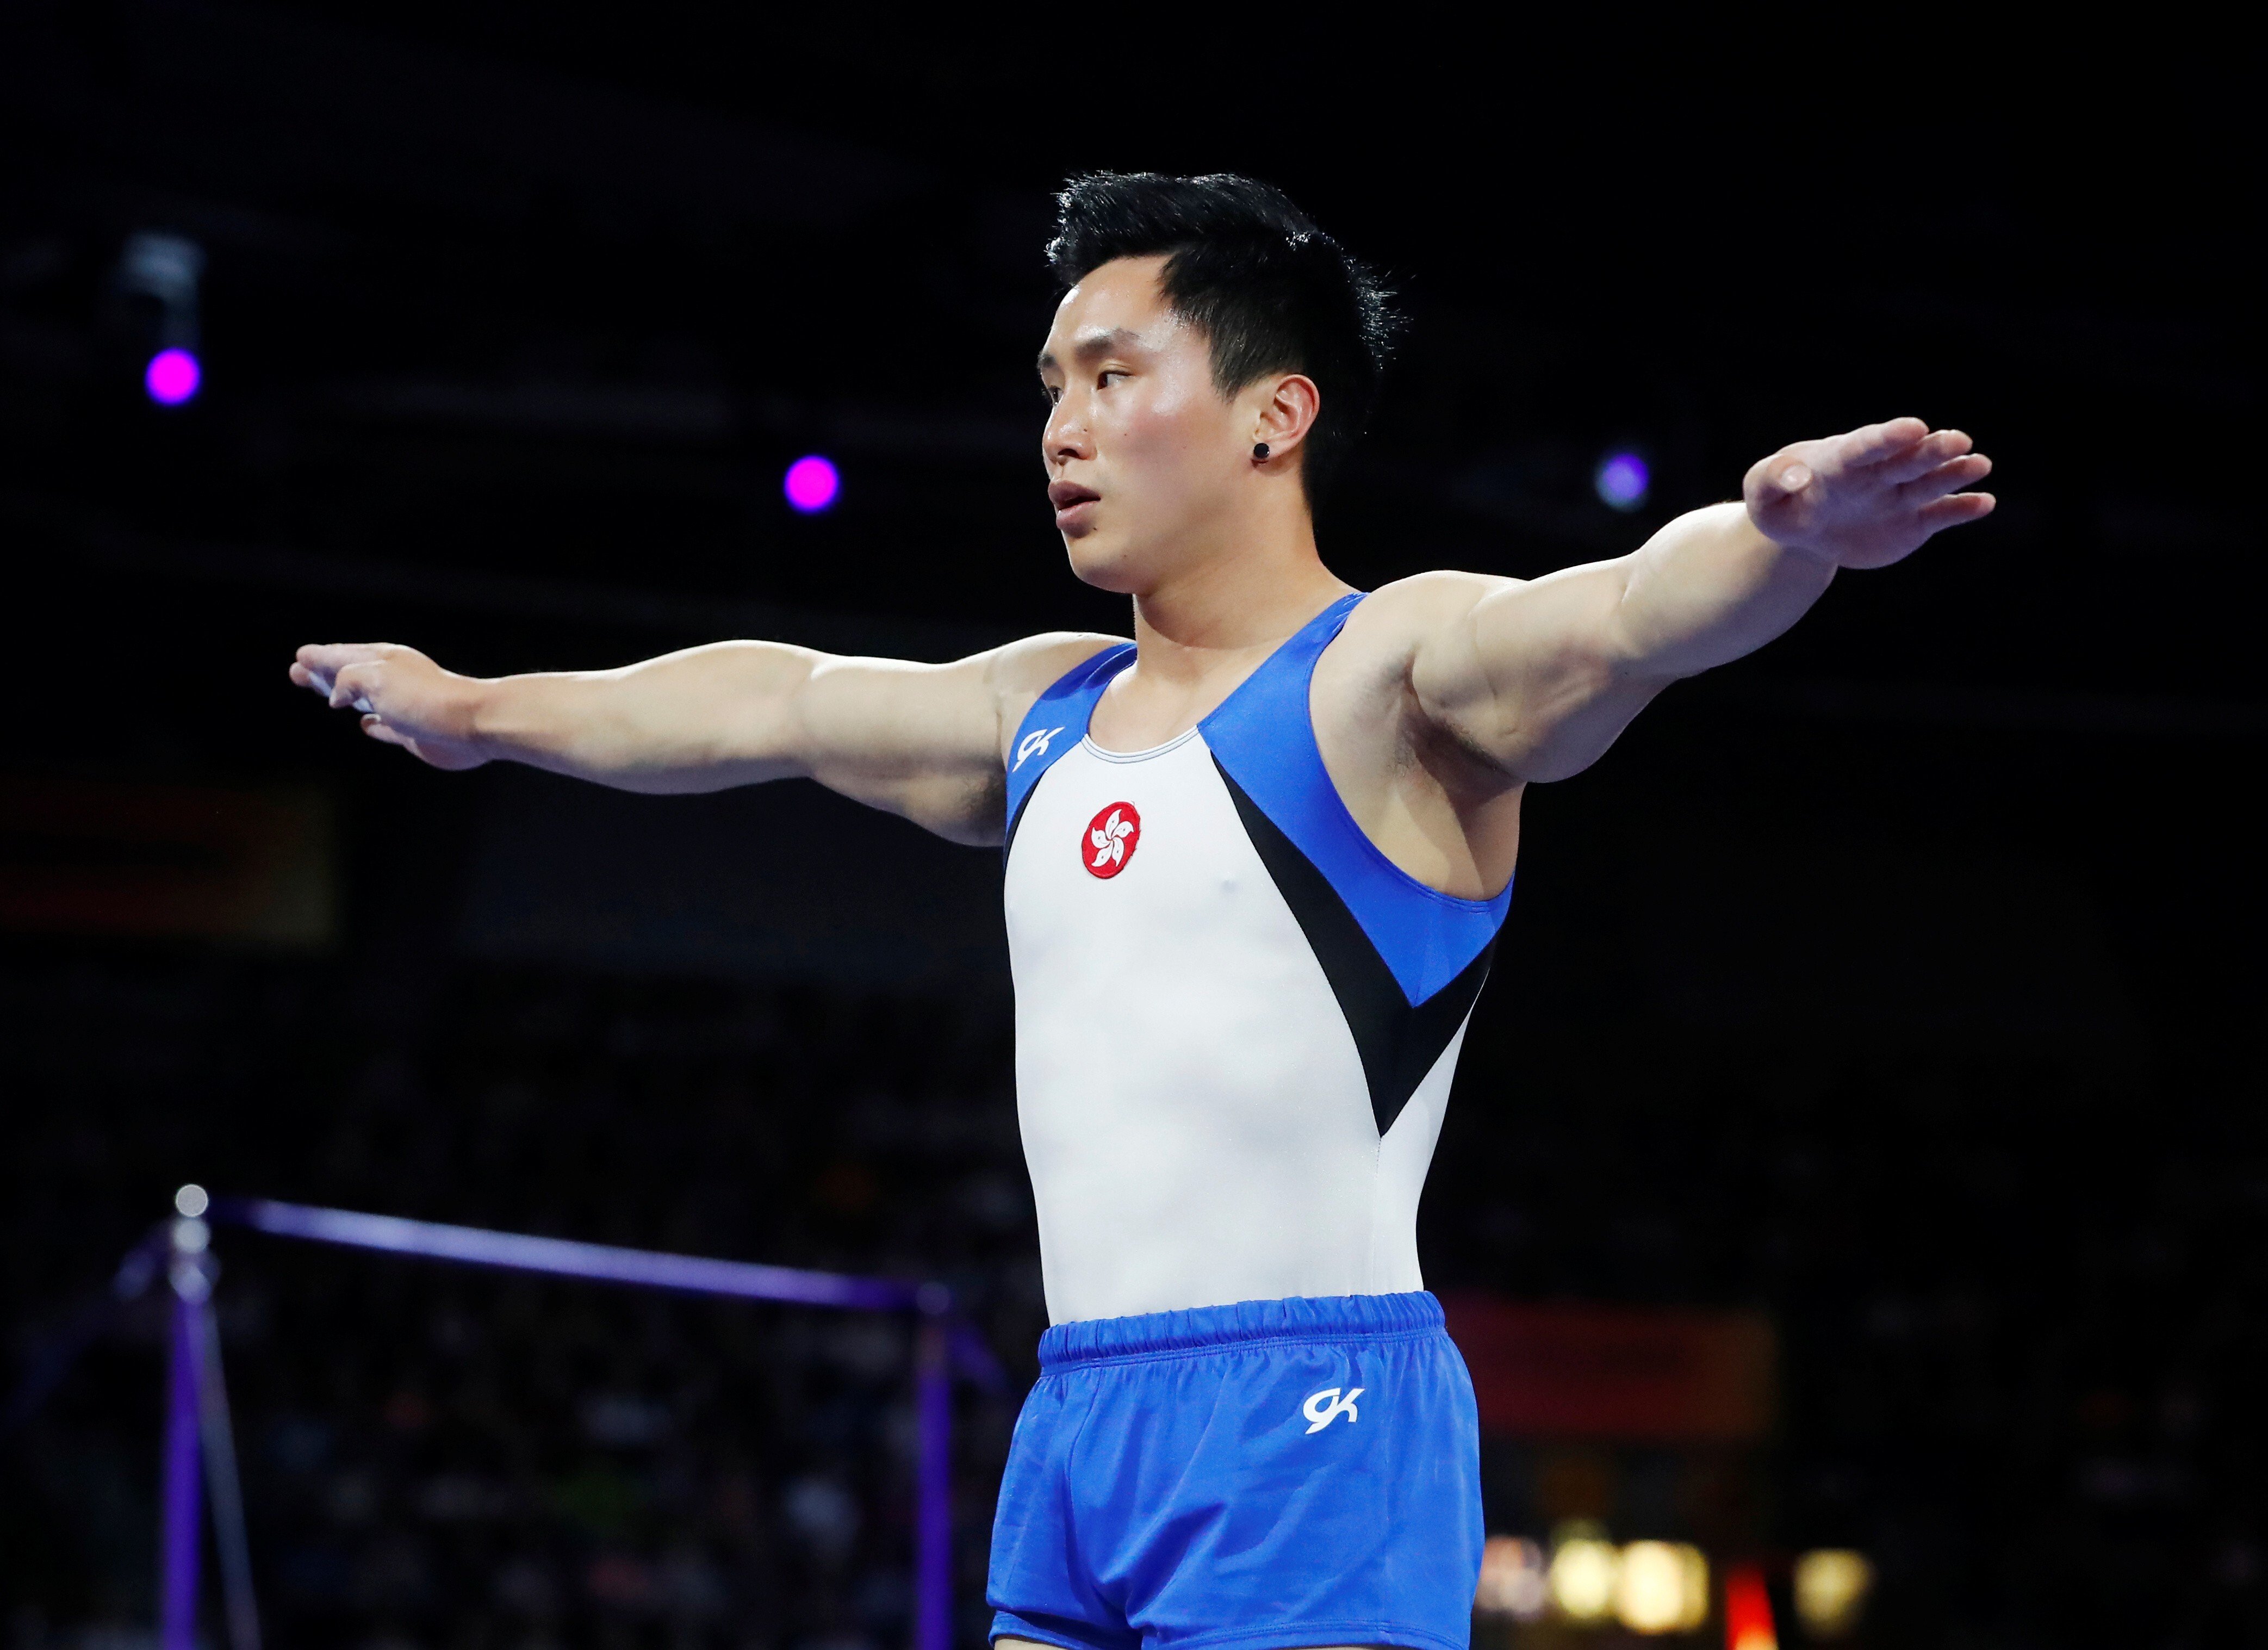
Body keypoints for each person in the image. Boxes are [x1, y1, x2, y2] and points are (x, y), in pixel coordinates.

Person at [293, 173, 1993, 1650]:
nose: (1061, 426)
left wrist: (1783, 543)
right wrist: (478, 708)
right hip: (1079, 1415)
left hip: (1312, 1409)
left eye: (1113, 376)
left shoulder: (1387, 673)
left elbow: (1616, 617)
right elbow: (776, 702)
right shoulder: (1041, 712)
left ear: (1274, 414)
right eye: (1050, 386)